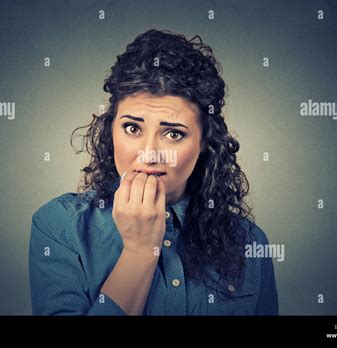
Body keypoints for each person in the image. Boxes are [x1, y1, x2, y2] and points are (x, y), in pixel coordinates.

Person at [29, 29, 278, 315]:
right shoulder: (59, 226)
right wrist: (139, 252)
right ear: (111, 131)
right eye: (132, 128)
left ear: (204, 144)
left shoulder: (250, 242)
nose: (148, 153)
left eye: (173, 134)